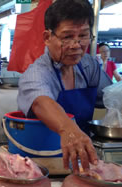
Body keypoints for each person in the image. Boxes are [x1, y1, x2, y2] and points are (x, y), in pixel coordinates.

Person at [17, 0, 112, 174]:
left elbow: (111, 97)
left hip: (84, 161)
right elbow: (41, 102)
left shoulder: (89, 66)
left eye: (83, 36)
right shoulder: (36, 73)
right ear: (47, 38)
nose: (76, 45)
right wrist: (68, 129)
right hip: (42, 164)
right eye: (67, 37)